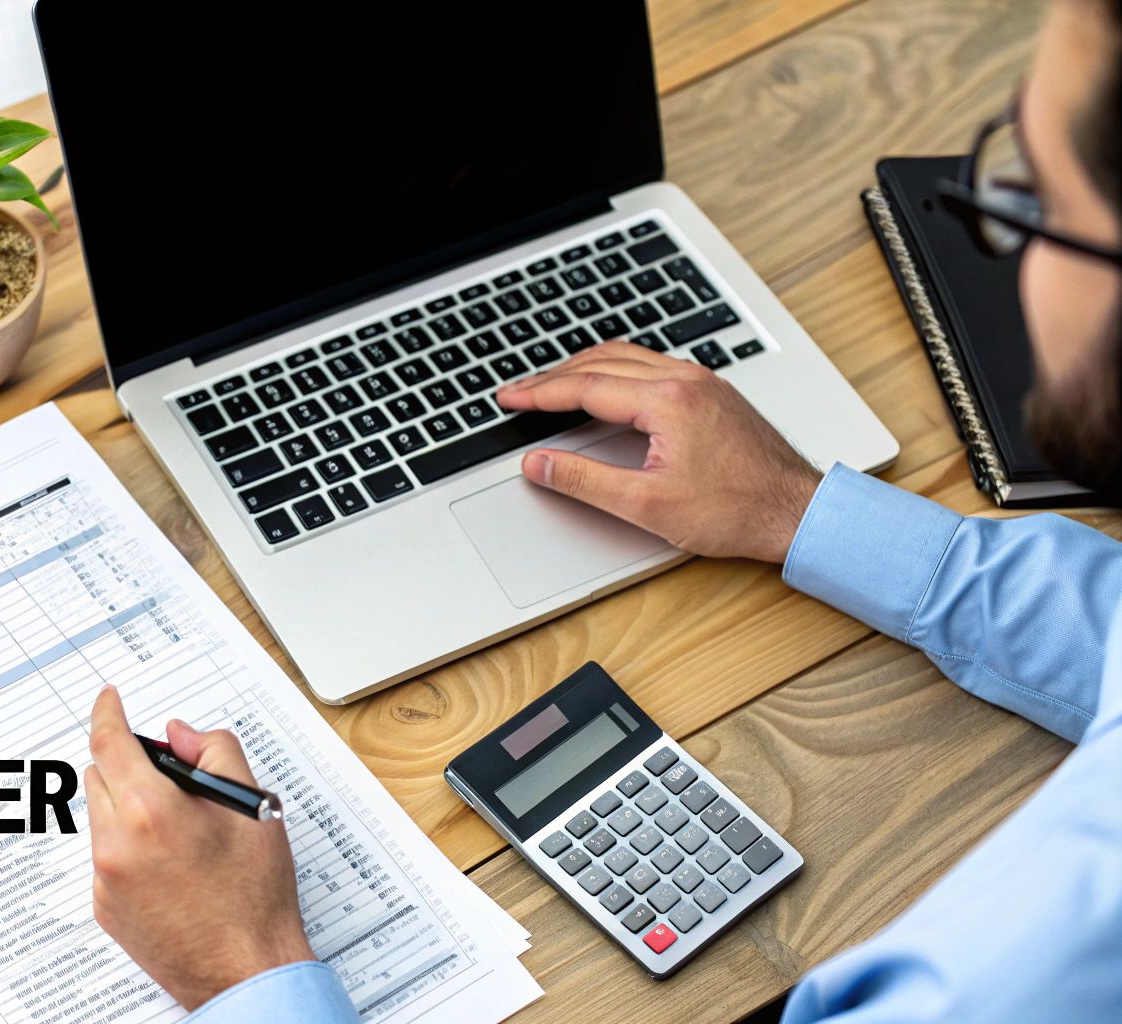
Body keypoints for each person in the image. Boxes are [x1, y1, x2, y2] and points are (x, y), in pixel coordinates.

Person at [83, 0, 1122, 1019]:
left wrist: (243, 969)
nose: (1018, 254)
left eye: (1031, 197)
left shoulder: (1029, 965)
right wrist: (794, 507)